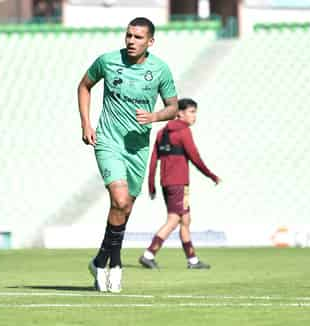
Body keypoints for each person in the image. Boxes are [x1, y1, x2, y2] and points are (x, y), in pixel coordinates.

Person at [77, 17, 178, 292]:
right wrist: (86, 122)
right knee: (120, 199)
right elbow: (84, 86)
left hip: (138, 148)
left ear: (150, 41)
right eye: (129, 35)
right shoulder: (107, 61)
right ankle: (116, 264)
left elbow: (173, 107)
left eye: (138, 37)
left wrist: (155, 116)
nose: (131, 41)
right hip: (108, 141)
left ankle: (100, 261)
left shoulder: (160, 70)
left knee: (124, 208)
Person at [139, 98, 220, 270]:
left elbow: (154, 160)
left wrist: (151, 185)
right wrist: (211, 175)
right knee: (174, 219)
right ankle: (149, 254)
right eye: (191, 112)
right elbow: (195, 157)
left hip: (166, 183)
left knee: (185, 219)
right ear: (179, 113)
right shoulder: (183, 131)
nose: (194, 116)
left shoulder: (162, 133)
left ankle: (192, 261)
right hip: (179, 183)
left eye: (195, 112)